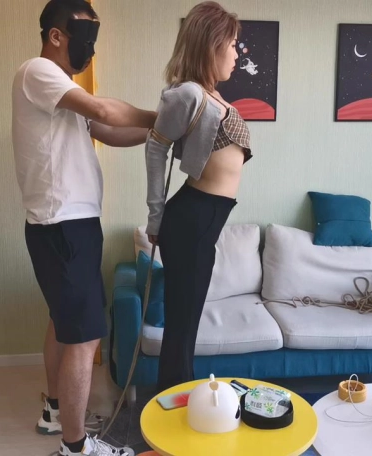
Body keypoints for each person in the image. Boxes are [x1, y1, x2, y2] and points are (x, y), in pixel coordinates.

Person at [12, 1, 155, 455]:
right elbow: (105, 111)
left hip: (68, 224)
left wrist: (160, 134)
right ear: (56, 35)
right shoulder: (38, 71)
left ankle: (56, 412)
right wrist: (163, 117)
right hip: (63, 225)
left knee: (64, 322)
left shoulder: (62, 91)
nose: (90, 48)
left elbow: (108, 131)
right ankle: (75, 448)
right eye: (85, 35)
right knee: (84, 334)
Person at [144, 1, 252, 391]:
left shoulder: (212, 95)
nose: (237, 54)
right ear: (211, 45)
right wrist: (155, 217)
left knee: (187, 326)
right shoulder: (188, 93)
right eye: (233, 45)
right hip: (190, 219)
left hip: (204, 222)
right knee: (181, 328)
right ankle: (171, 408)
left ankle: (180, 402)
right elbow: (156, 147)